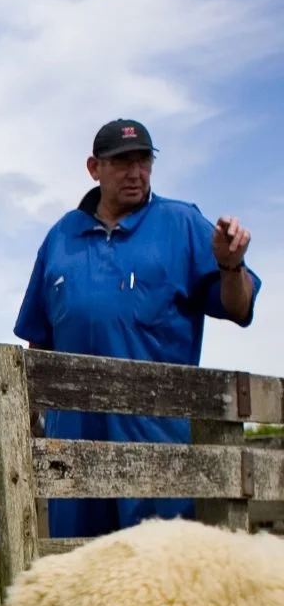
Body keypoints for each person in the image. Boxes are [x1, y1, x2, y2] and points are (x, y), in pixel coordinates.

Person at [13, 120, 259, 538]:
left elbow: (240, 307)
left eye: (143, 160)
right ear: (94, 168)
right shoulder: (60, 238)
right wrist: (31, 429)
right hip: (73, 450)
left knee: (161, 582)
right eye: (122, 162)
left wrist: (229, 264)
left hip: (157, 449)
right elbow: (39, 344)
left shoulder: (181, 223)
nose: (135, 172)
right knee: (79, 576)